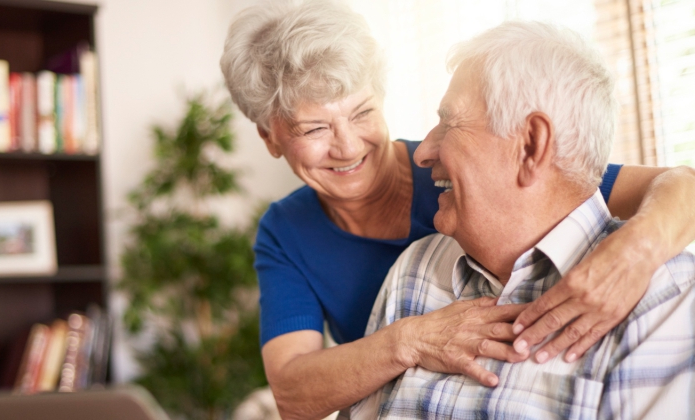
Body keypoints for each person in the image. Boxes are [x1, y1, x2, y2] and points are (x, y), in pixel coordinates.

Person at [219, 1, 695, 418]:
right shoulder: (303, 236)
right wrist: (410, 340)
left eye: (362, 113)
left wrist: (634, 252)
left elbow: (659, 185)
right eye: (313, 129)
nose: (346, 147)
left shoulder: (472, 173)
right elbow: (294, 393)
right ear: (270, 137)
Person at [352, 20, 695, 419]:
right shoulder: (415, 270)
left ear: (531, 145)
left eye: (450, 122)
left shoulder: (665, 303)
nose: (423, 151)